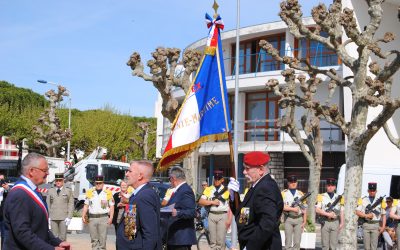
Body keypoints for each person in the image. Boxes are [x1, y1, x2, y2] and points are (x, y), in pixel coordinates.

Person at [3, 152, 71, 250]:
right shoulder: (20, 194)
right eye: (45, 170)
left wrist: (58, 242)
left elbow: (40, 228)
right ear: (31, 171)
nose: (48, 173)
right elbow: (23, 233)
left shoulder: (32, 191)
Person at [228, 151, 283, 250]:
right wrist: (233, 196)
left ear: (261, 169)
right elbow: (243, 216)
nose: (244, 172)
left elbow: (267, 224)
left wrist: (249, 247)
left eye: (247, 169)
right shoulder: (256, 186)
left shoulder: (266, 188)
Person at [116, 160, 162, 250]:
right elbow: (130, 228)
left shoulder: (145, 196)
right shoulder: (137, 194)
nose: (126, 174)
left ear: (140, 176)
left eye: (130, 171)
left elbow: (150, 234)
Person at [165, 166, 196, 250]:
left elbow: (192, 212)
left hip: (180, 238)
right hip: (175, 238)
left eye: (169, 179)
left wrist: (177, 212)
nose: (169, 181)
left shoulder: (185, 190)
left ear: (173, 178)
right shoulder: (179, 190)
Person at [198, 170, 230, 250]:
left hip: (223, 215)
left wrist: (229, 219)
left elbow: (232, 204)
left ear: (222, 179)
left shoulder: (227, 189)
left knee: (221, 240)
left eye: (218, 179)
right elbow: (201, 201)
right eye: (215, 178)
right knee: (212, 241)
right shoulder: (209, 189)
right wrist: (212, 202)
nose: (216, 180)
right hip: (211, 215)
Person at [82, 175, 114, 250]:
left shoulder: (108, 193)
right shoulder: (90, 192)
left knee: (102, 240)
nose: (98, 184)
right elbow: (86, 205)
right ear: (95, 183)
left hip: (103, 218)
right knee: (94, 240)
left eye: (100, 183)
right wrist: (83, 215)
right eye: (97, 183)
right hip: (92, 218)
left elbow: (112, 206)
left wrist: (111, 217)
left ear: (103, 183)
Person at [315, 178, 344, 250]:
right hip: (325, 222)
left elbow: (342, 211)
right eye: (328, 185)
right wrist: (328, 214)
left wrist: (342, 223)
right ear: (326, 186)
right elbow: (317, 209)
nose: (330, 187)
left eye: (332, 185)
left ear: (335, 187)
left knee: (333, 246)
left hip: (335, 222)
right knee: (325, 246)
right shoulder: (321, 196)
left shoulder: (339, 198)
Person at [356, 182, 386, 250]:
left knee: (374, 247)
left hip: (375, 225)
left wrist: (383, 226)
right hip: (366, 224)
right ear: (368, 191)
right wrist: (366, 215)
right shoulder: (363, 199)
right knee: (366, 247)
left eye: (373, 190)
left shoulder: (380, 201)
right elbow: (357, 212)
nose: (372, 192)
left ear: (376, 191)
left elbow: (383, 215)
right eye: (370, 190)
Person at [282, 175, 307, 250]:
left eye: (295, 182)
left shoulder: (301, 194)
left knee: (297, 242)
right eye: (291, 182)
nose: (293, 183)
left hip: (299, 219)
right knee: (288, 241)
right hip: (288, 218)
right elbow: (281, 206)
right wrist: (293, 209)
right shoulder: (283, 193)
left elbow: (304, 208)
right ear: (288, 183)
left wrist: (304, 221)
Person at [46, 173, 74, 241]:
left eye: (60, 180)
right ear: (55, 181)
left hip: (64, 218)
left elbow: (71, 204)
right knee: (53, 238)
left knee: (63, 237)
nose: (58, 182)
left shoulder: (68, 190)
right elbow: (48, 203)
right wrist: (48, 216)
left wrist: (69, 217)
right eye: (57, 180)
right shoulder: (50, 190)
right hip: (53, 217)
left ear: (63, 181)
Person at [112, 180, 133, 250]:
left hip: (130, 218)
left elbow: (134, 205)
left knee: (130, 238)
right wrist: (117, 205)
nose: (123, 186)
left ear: (128, 186)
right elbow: (112, 206)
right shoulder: (116, 195)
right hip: (118, 219)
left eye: (125, 185)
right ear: (120, 186)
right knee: (119, 238)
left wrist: (125, 204)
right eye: (122, 185)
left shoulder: (131, 195)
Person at [0, 176, 10, 247]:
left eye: (2, 180)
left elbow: (14, 194)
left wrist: (7, 188)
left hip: (2, 216)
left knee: (4, 235)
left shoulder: (7, 190)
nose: (1, 182)